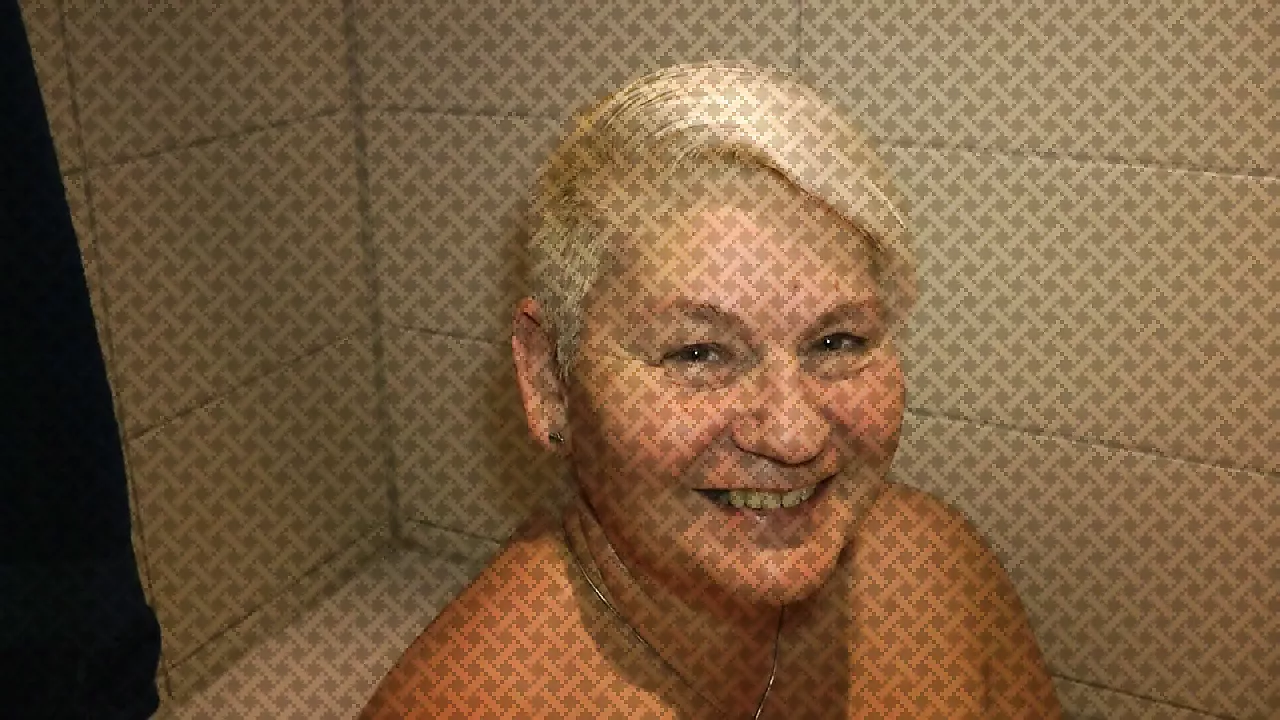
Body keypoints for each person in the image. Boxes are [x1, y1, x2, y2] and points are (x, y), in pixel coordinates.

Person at [360, 61, 1062, 719]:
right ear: (549, 379)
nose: (793, 436)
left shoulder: (936, 570)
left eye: (838, 342)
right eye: (698, 353)